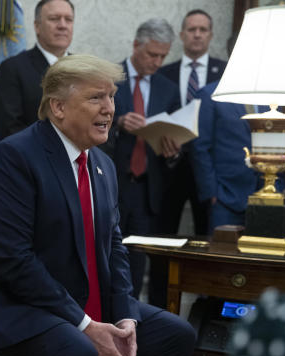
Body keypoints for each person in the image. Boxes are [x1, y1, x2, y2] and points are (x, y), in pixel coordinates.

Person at [0, 54, 195, 356]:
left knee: (174, 335)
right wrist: (86, 324)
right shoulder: (15, 157)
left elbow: (114, 247)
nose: (110, 108)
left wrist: (123, 318)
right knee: (78, 347)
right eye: (96, 98)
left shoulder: (102, 164)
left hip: (76, 299)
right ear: (58, 107)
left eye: (111, 96)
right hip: (8, 302)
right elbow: (12, 260)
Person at [105, 18, 180, 300]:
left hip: (147, 191)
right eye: (152, 55)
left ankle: (130, 324)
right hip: (111, 184)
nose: (158, 62)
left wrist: (173, 151)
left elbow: (173, 139)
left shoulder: (168, 89)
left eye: (163, 55)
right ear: (136, 45)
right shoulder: (110, 77)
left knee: (136, 268)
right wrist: (118, 122)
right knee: (105, 259)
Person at [158, 9, 228, 237]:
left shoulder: (226, 72)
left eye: (203, 30)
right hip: (171, 168)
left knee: (205, 237)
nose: (197, 34)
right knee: (164, 236)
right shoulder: (163, 72)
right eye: (192, 29)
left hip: (209, 170)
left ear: (210, 35)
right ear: (182, 35)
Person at [0, 0, 74, 139]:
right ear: (37, 26)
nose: (62, 25)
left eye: (68, 19)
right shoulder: (13, 68)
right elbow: (10, 128)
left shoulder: (86, 70)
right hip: (33, 157)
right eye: (54, 19)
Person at [191, 82, 264, 232]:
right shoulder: (210, 94)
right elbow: (200, 147)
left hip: (264, 197)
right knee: (223, 251)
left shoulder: (270, 96)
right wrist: (211, 192)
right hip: (225, 197)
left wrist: (279, 187)